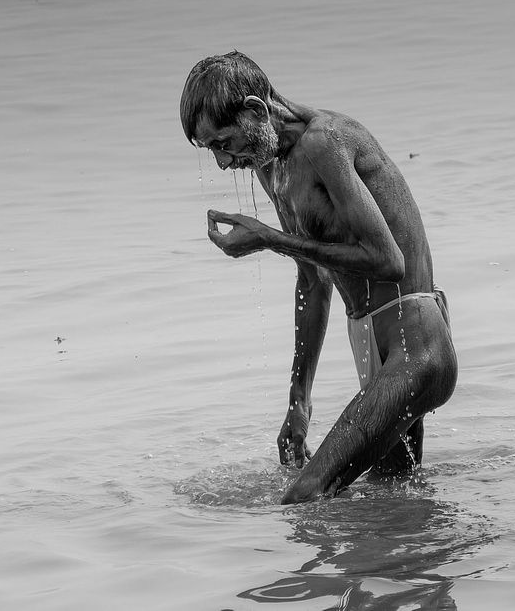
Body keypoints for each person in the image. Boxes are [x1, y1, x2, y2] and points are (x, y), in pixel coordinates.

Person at [179, 51, 457, 504]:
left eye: (223, 142)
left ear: (256, 110)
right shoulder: (270, 165)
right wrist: (298, 402)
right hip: (378, 352)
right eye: (211, 150)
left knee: (306, 494)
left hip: (417, 349)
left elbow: (388, 261)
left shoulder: (324, 142)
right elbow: (313, 282)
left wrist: (270, 238)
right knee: (393, 506)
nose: (223, 163)